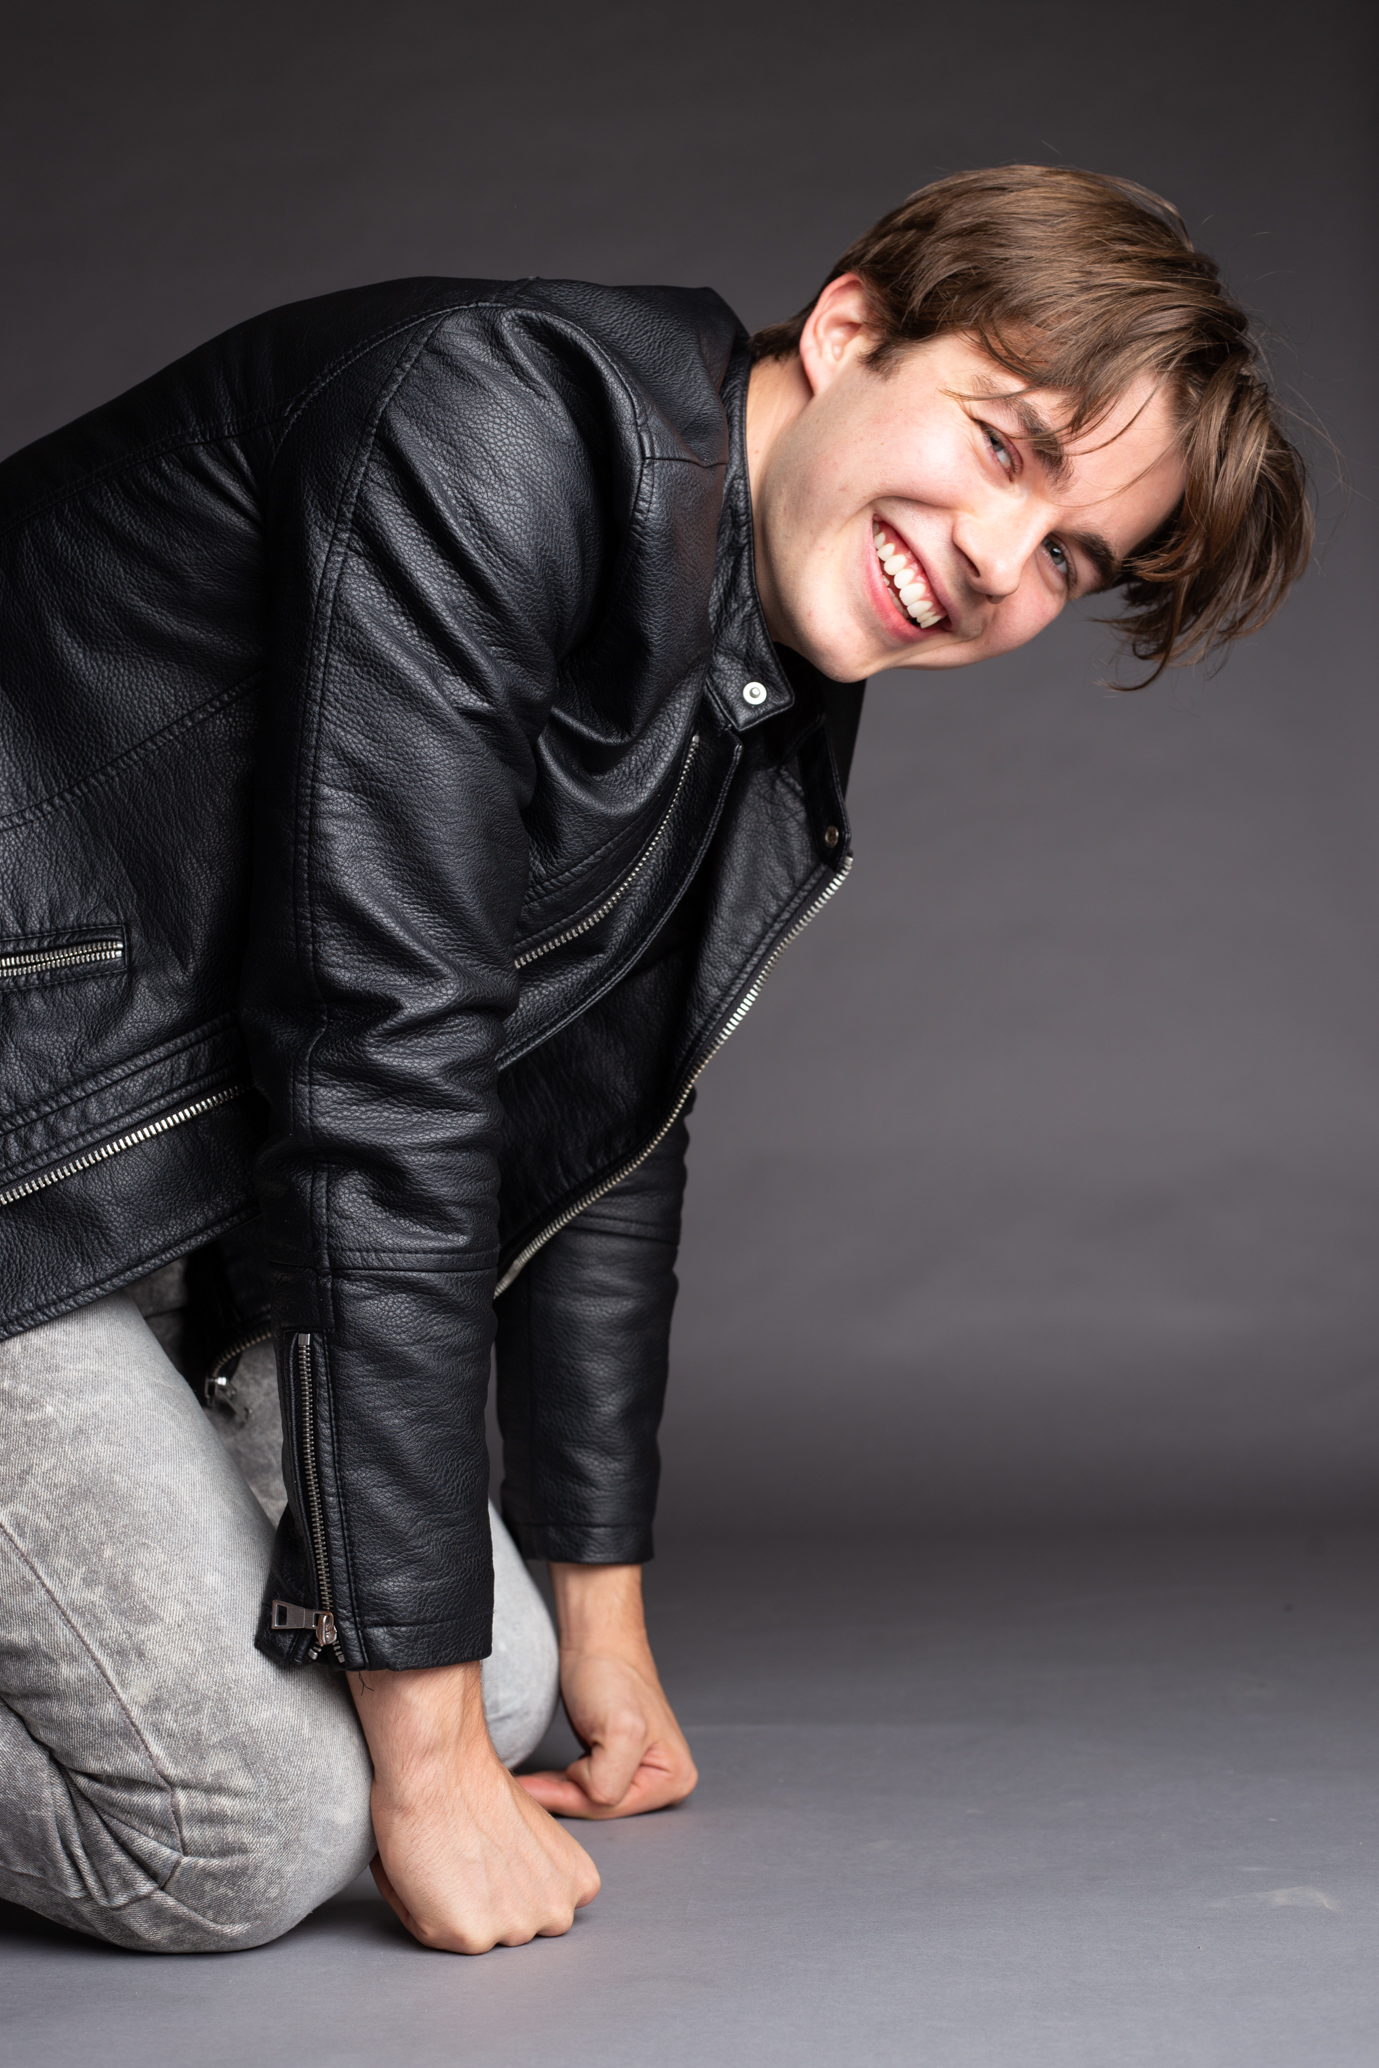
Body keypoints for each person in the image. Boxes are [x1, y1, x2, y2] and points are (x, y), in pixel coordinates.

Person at [0, 165, 1309, 1956]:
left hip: (134, 1184)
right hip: (33, 1142)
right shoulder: (495, 421)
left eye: (1069, 559)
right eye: (1006, 448)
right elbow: (385, 1065)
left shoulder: (774, 644)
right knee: (238, 1834)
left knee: (505, 1674)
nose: (1002, 566)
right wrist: (429, 1770)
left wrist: (597, 1633)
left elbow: (608, 1111)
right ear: (849, 327)